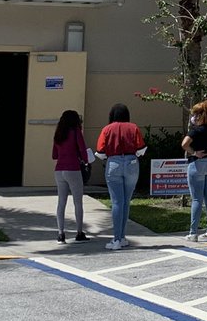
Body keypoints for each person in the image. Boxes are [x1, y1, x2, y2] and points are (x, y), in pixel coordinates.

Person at [96, 102, 145, 250]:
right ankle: (122, 237)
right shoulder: (133, 127)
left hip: (114, 163)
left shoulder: (107, 129)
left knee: (117, 202)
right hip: (131, 162)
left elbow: (100, 151)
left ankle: (116, 239)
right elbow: (141, 149)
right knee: (125, 201)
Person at [181, 99, 207, 242]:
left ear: (199, 115)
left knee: (197, 199)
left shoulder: (195, 131)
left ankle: (193, 233)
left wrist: (194, 153)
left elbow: (184, 144)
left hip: (197, 164)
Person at [52, 109, 90, 244]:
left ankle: (60, 234)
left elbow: (54, 155)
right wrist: (85, 160)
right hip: (73, 169)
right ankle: (79, 232)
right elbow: (82, 150)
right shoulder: (76, 132)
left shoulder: (58, 134)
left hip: (59, 170)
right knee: (77, 202)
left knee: (61, 202)